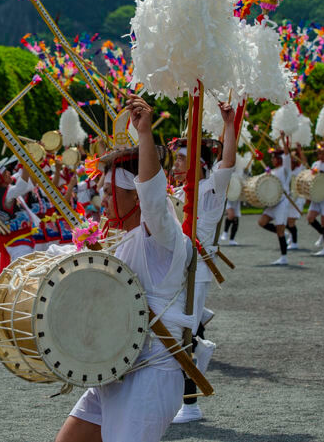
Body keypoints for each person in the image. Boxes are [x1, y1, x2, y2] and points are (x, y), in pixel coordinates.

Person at [55, 95, 197, 442]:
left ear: (134, 196)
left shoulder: (160, 235)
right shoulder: (120, 239)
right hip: (114, 366)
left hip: (152, 371)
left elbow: (152, 193)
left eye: (108, 191)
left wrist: (144, 134)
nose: (101, 199)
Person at [169, 101, 236, 423]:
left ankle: (191, 405)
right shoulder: (179, 190)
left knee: (181, 337)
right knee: (171, 329)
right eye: (176, 157)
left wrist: (230, 126)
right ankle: (200, 331)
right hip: (175, 269)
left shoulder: (211, 188)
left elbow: (227, 162)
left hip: (198, 270)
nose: (177, 163)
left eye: (183, 158)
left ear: (199, 163)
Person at [257, 133, 292, 265]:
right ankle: (282, 231)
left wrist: (283, 139)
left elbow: (287, 155)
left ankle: (284, 257)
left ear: (279, 159)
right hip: (273, 202)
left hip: (282, 201)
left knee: (280, 232)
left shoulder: (285, 169)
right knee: (262, 222)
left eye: (274, 158)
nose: (272, 160)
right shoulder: (272, 171)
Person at [286, 143, 308, 249]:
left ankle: (294, 243)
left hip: (298, 198)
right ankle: (291, 237)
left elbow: (304, 162)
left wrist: (300, 150)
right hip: (289, 198)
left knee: (291, 221)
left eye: (293, 160)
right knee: (286, 220)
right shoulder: (287, 170)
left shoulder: (299, 170)